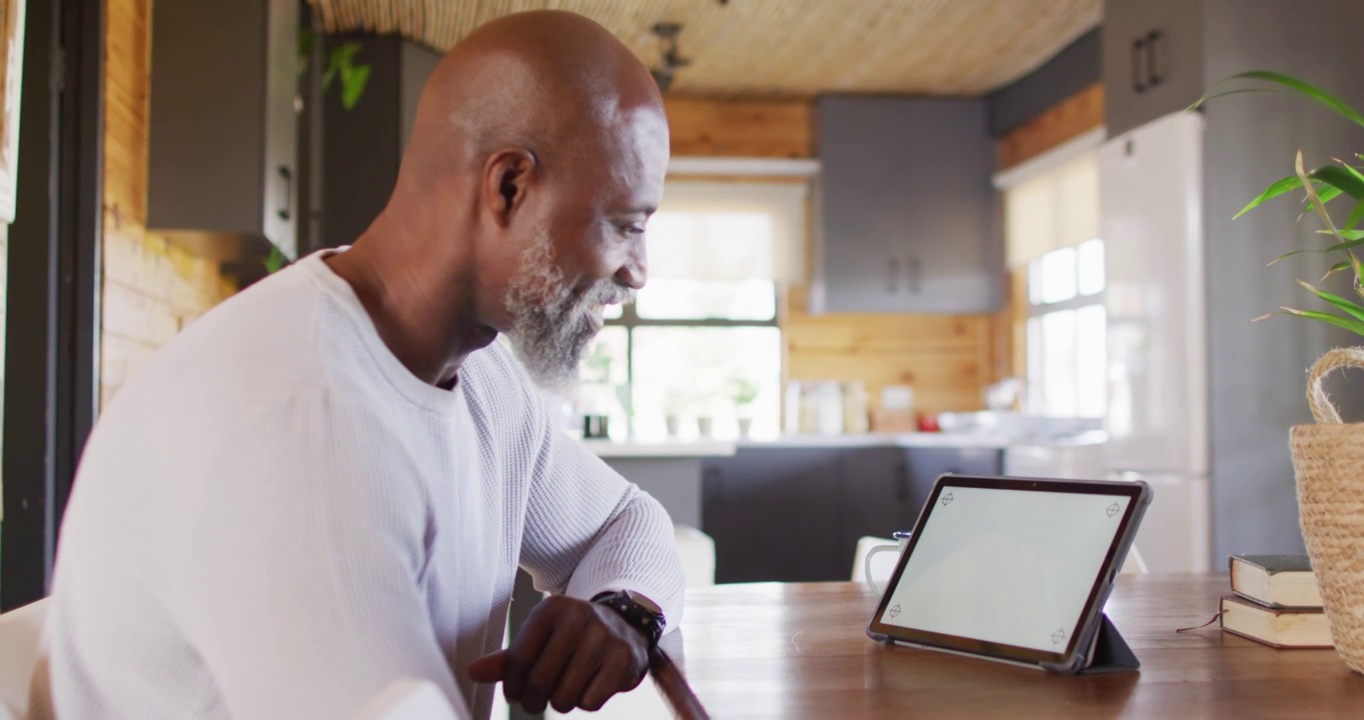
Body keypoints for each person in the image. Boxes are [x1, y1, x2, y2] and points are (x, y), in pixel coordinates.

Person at [30, 10, 683, 719]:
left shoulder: (485, 379)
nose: (639, 272)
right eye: (626, 224)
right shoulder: (294, 421)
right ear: (509, 189)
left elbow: (627, 521)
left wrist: (624, 610)